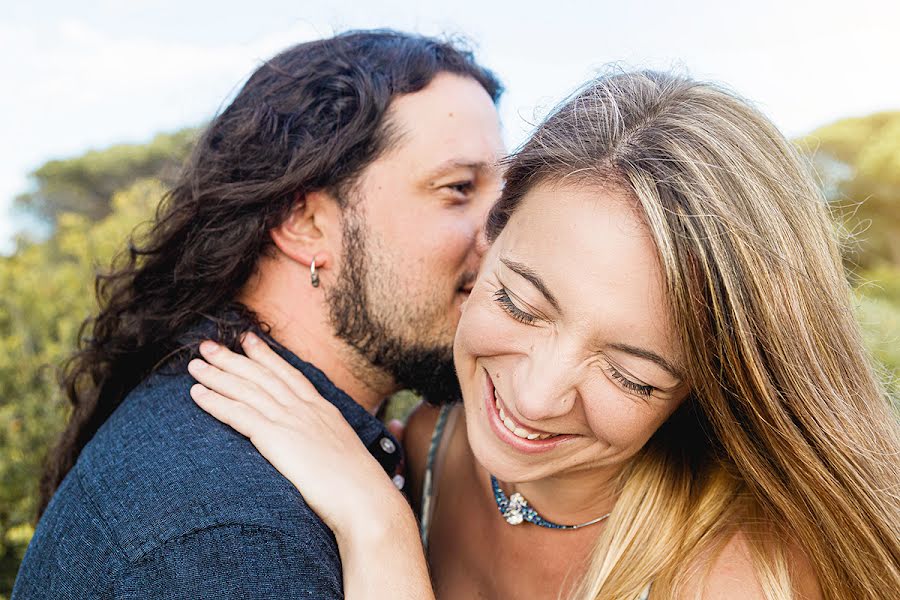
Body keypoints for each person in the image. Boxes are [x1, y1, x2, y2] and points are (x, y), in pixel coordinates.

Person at [186, 70, 900, 599]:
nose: (536, 395)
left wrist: (380, 535)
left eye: (631, 374)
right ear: (489, 241)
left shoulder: (741, 571)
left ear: (703, 390)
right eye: (523, 305)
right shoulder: (425, 445)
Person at [13, 30, 504, 598]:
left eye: (504, 196)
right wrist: (382, 526)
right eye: (458, 188)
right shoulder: (227, 540)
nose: (503, 237)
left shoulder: (248, 473)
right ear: (306, 223)